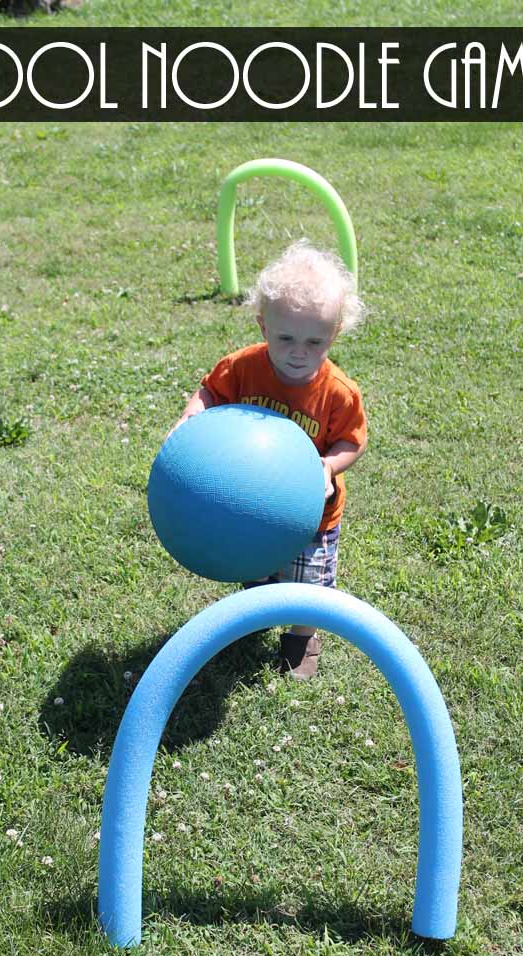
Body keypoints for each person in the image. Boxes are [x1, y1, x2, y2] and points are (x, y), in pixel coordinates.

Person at [169, 240, 368, 680]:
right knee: (257, 571)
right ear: (263, 326)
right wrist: (190, 417)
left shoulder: (339, 393)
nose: (299, 351)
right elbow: (210, 391)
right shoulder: (243, 368)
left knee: (307, 583)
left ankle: (301, 639)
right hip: (250, 504)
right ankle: (254, 617)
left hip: (312, 512)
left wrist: (328, 467)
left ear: (334, 335)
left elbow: (352, 443)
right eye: (286, 338)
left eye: (314, 341)